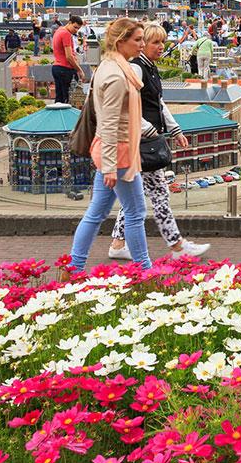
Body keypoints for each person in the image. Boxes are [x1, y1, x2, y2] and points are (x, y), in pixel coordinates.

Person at [109, 23, 210, 261]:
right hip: (143, 142)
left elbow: (158, 103)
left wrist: (175, 130)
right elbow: (125, 104)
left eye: (162, 42)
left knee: (134, 198)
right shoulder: (138, 68)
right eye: (155, 42)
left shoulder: (149, 68)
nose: (160, 47)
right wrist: (149, 129)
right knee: (159, 195)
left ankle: (118, 243)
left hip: (144, 140)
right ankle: (177, 246)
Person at [69, 18, 152, 274]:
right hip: (119, 153)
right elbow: (109, 122)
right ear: (121, 41)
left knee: (97, 212)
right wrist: (109, 166)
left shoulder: (107, 66)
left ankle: (75, 265)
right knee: (136, 212)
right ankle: (145, 270)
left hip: (111, 152)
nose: (142, 44)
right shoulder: (117, 75)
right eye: (137, 40)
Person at [52, 15, 86, 104]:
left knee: (59, 100)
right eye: (75, 27)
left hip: (57, 67)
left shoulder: (59, 30)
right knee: (69, 100)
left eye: (78, 29)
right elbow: (69, 56)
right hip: (65, 68)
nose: (76, 30)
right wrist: (80, 70)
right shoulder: (66, 34)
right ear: (69, 23)